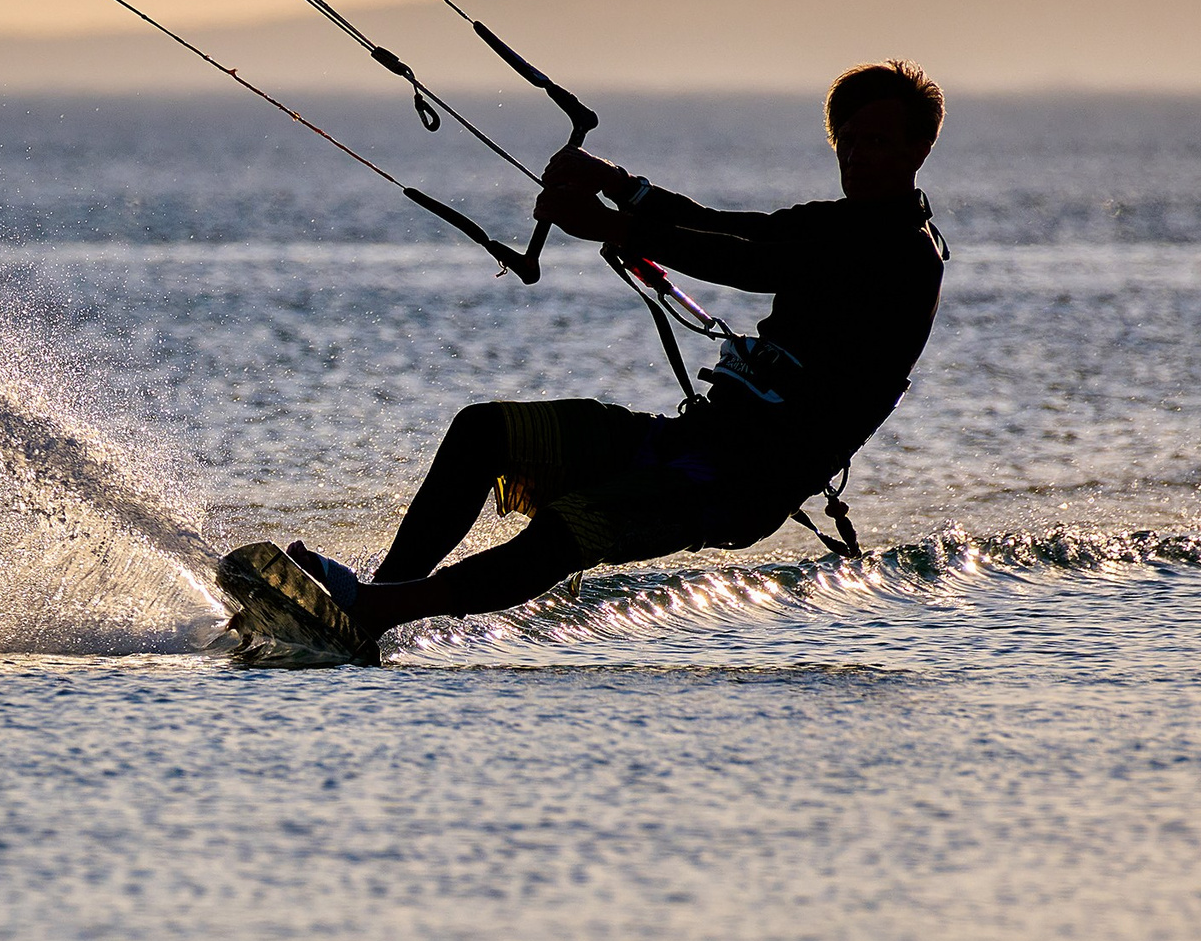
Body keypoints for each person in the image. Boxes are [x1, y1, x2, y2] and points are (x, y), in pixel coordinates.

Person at [287, 60, 950, 654]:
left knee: (573, 524)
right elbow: (728, 226)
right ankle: (369, 608)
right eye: (850, 142)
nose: (859, 156)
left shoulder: (906, 257)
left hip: (742, 485)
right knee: (483, 431)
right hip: (694, 441)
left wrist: (614, 227)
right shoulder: (834, 222)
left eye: (880, 143)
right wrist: (620, 184)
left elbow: (751, 261)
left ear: (920, 149)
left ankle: (371, 609)